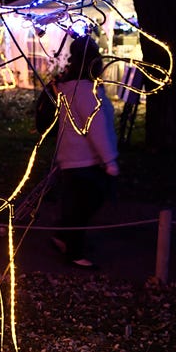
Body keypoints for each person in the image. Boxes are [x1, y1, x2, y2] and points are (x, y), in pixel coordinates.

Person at [51, 36, 119, 269]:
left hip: (72, 155)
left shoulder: (70, 88)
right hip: (85, 159)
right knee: (86, 204)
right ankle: (73, 251)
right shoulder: (86, 92)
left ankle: (64, 237)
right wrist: (109, 160)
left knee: (76, 204)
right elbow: (96, 129)